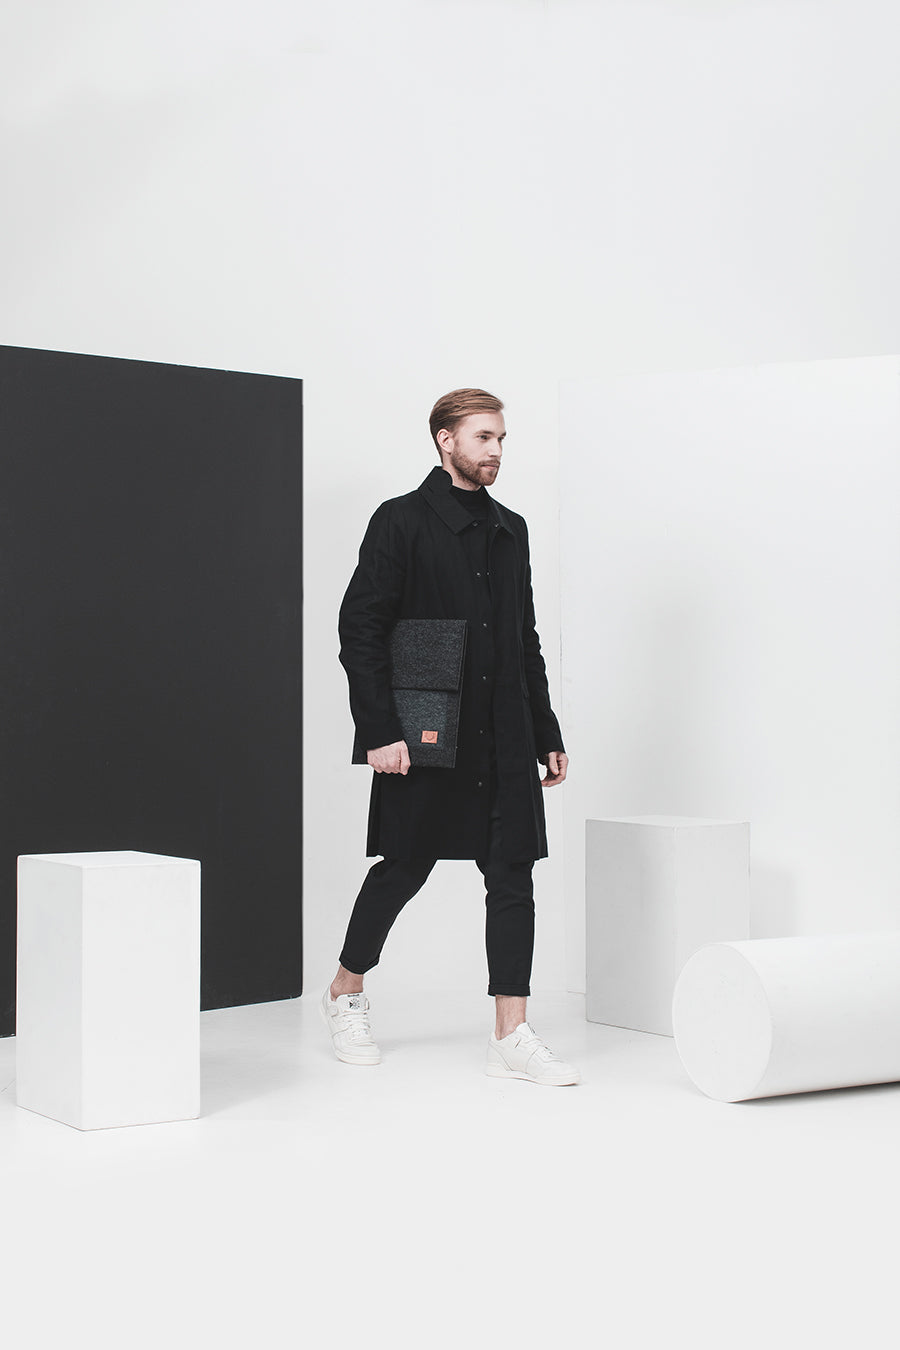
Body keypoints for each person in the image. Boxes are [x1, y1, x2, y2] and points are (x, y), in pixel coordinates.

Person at [322, 388, 580, 1086]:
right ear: (446, 441)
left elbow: (520, 635)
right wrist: (380, 729)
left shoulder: (510, 528)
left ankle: (512, 1031)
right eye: (484, 438)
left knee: (512, 872)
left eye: (501, 439)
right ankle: (346, 991)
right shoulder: (401, 521)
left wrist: (545, 728)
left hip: (505, 726)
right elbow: (361, 628)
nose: (496, 450)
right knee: (405, 864)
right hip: (429, 725)